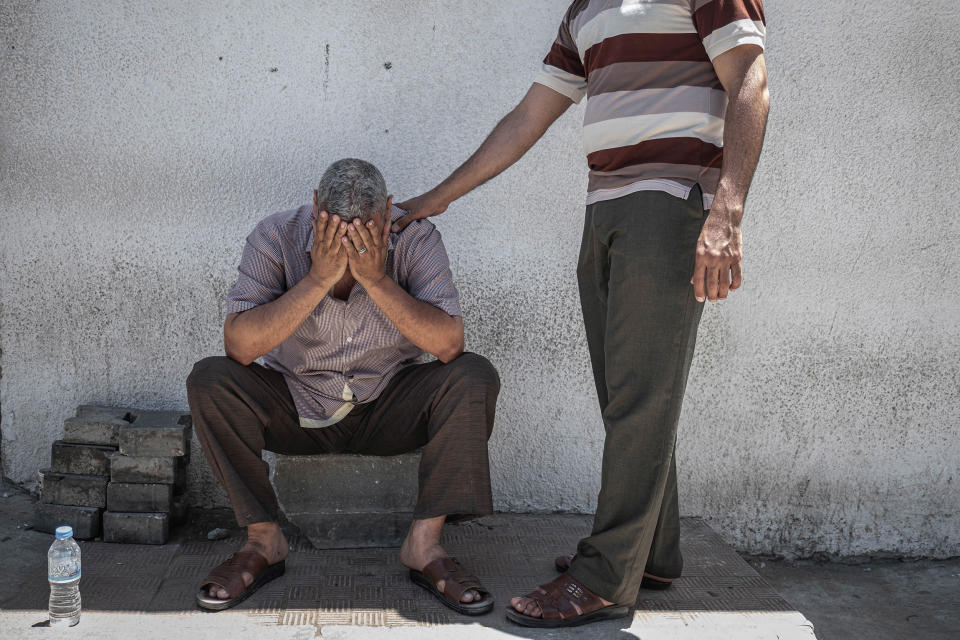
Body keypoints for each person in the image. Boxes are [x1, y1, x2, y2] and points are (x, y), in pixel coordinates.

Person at [393, 0, 769, 628]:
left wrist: (727, 211)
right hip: (606, 209)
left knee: (640, 395)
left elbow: (750, 79)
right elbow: (528, 117)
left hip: (670, 200)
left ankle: (604, 577)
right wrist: (435, 200)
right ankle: (651, 550)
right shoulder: (585, 9)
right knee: (628, 393)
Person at [187, 158, 500, 615]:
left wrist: (375, 279)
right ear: (315, 208)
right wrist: (317, 278)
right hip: (296, 401)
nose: (351, 239)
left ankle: (425, 546)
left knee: (473, 374)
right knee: (211, 379)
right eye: (334, 226)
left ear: (388, 210)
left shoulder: (414, 238)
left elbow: (449, 344)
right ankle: (263, 540)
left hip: (390, 401)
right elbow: (239, 346)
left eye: (367, 227)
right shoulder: (275, 235)